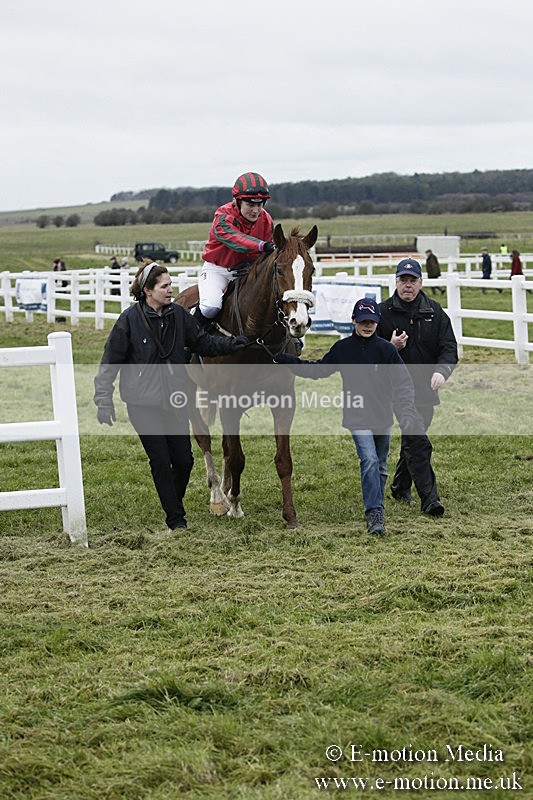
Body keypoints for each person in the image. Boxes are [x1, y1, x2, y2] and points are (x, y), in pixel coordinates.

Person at [93, 261, 248, 532]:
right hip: (142, 403)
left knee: (185, 461)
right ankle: (176, 520)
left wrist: (236, 343)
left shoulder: (179, 315)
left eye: (170, 284)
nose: (170, 290)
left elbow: (204, 343)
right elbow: (110, 361)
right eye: (164, 286)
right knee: (161, 461)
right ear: (148, 291)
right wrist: (103, 398)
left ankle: (172, 503)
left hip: (175, 401)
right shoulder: (129, 320)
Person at [274, 297, 421, 535]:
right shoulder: (343, 349)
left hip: (383, 417)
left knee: (381, 466)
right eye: (362, 321)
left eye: (371, 321)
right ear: (353, 321)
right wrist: (289, 361)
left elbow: (403, 382)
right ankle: (374, 512)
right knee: (370, 460)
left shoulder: (386, 350)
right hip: (357, 417)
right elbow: (319, 370)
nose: (367, 325)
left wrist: (406, 410)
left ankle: (376, 505)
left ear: (377, 322)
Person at [377, 258, 458, 517]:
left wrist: (441, 371)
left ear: (421, 283)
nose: (407, 286)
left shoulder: (435, 312)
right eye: (403, 280)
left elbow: (449, 348)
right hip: (395, 389)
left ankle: (400, 486)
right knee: (418, 441)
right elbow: (364, 349)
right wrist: (390, 347)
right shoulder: (382, 313)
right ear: (396, 282)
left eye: (412, 281)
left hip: (426, 389)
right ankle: (430, 500)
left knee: (414, 438)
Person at [196, 172, 275, 327]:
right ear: (238, 202)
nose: (255, 210)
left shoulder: (266, 220)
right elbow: (234, 238)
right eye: (250, 205)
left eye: (259, 205)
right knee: (210, 308)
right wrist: (261, 246)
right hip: (218, 271)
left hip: (249, 273)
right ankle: (190, 340)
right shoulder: (223, 216)